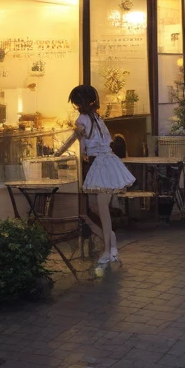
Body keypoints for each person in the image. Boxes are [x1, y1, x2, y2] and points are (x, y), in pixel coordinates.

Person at [56, 84, 135, 271]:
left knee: (102, 210)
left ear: (78, 103)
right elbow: (96, 142)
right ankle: (112, 245)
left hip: (100, 164)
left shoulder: (82, 120)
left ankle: (108, 250)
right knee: (98, 207)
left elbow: (77, 142)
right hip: (109, 161)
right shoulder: (97, 118)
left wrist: (59, 153)